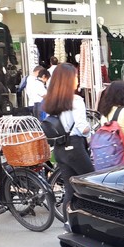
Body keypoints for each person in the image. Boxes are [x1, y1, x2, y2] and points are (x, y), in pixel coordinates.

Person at [42, 63, 93, 212]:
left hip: (59, 149)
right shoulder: (75, 100)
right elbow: (81, 127)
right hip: (75, 147)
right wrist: (91, 131)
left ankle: (68, 223)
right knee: (91, 184)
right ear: (69, 79)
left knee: (70, 191)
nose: (77, 79)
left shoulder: (52, 100)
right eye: (75, 76)